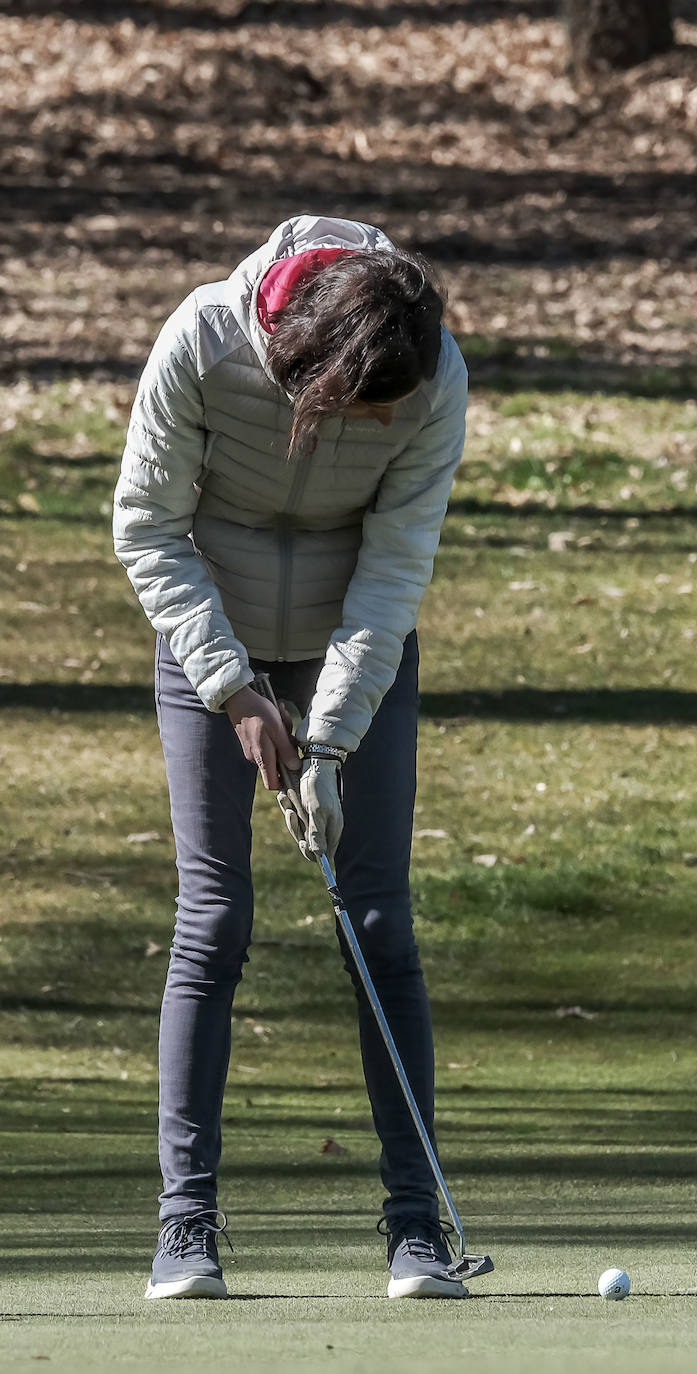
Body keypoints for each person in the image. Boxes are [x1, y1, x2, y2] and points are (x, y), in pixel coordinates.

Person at [113, 215, 469, 1301]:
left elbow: (395, 563)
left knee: (376, 920)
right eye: (359, 406)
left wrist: (328, 733)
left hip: (350, 648)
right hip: (206, 632)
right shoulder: (203, 342)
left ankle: (416, 1230)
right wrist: (229, 688)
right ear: (307, 366)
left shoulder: (429, 373)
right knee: (214, 920)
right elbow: (148, 527)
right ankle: (186, 1229)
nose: (376, 420)